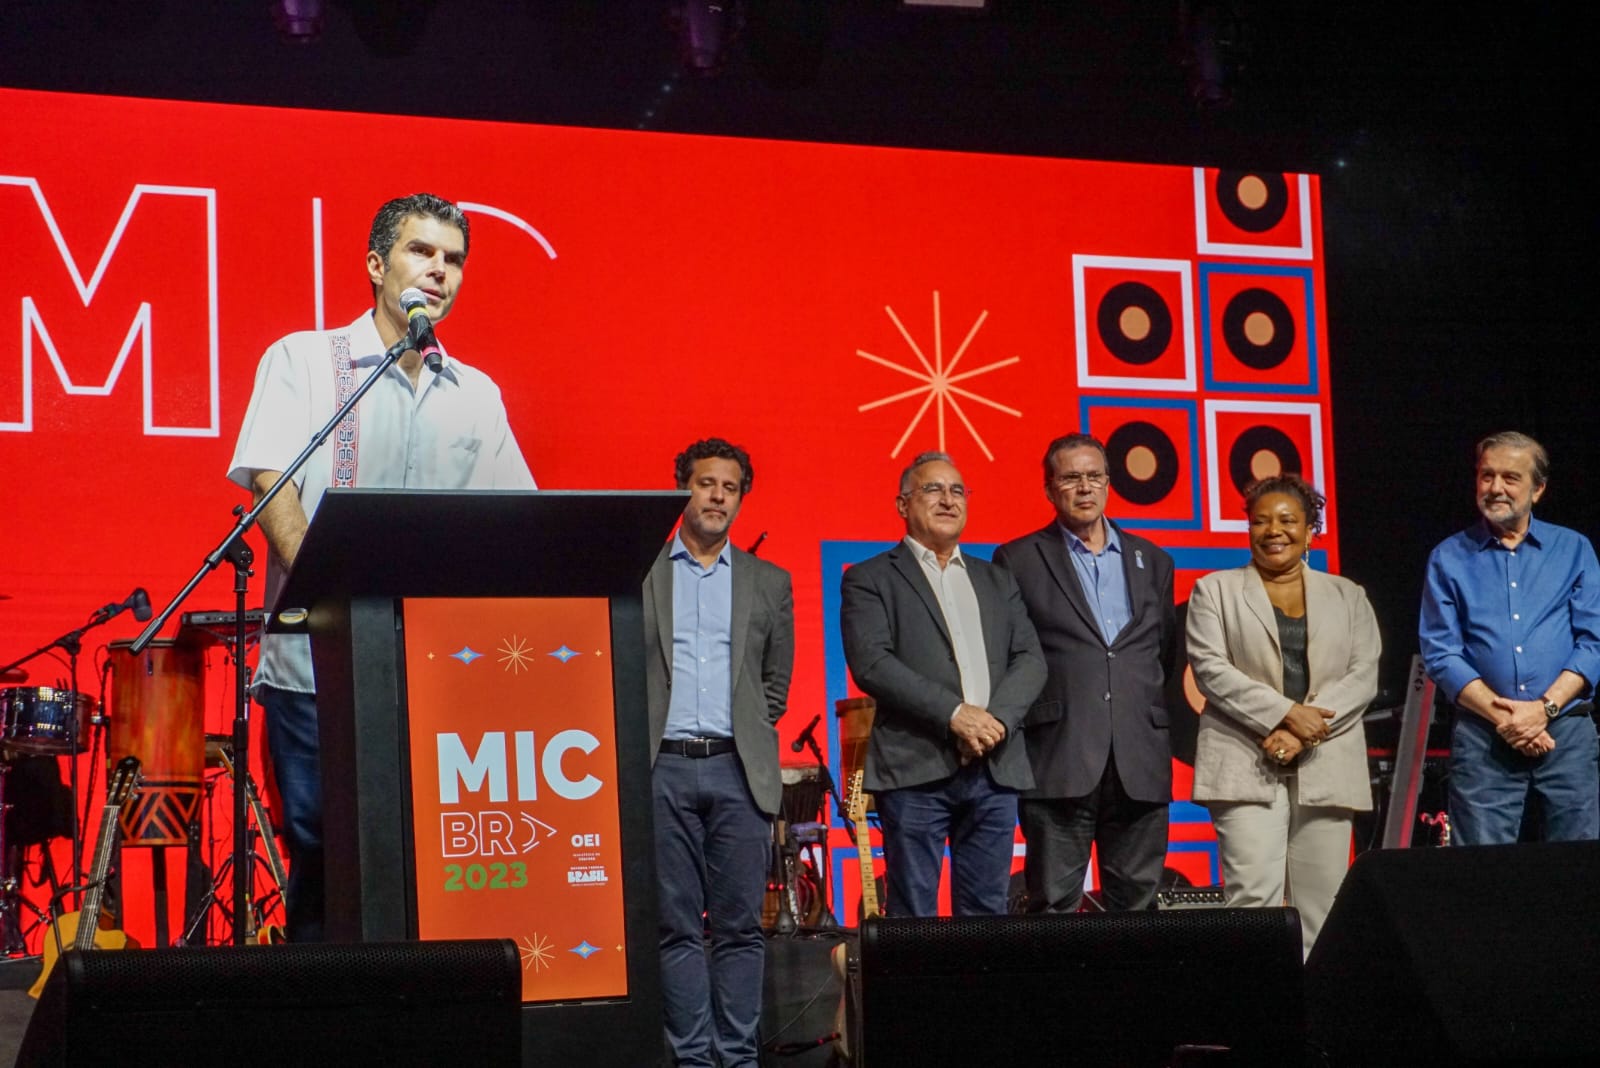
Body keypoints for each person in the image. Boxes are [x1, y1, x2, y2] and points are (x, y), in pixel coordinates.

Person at [227, 193, 535, 941]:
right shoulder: (304, 359)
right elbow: (270, 479)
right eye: (420, 251)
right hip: (315, 671)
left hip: (439, 678)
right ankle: (325, 1005)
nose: (439, 270)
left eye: (453, 259)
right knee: (327, 861)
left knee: (426, 866)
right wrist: (335, 604)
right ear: (375, 264)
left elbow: (517, 522)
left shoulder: (477, 394)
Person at [840, 451, 1046, 917]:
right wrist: (955, 715)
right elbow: (872, 663)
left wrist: (994, 723)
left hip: (994, 768)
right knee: (913, 915)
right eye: (933, 489)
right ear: (902, 504)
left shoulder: (997, 579)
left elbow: (1031, 659)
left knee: (986, 916)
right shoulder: (871, 578)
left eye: (957, 490)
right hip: (915, 769)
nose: (948, 500)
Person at [643, 438, 795, 1068]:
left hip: (739, 770)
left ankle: (737, 1057)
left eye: (730, 488)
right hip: (663, 767)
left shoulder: (769, 581)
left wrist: (750, 733)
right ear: (683, 488)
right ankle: (693, 1060)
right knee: (675, 928)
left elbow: (774, 686)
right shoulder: (643, 570)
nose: (717, 497)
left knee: (739, 930)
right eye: (706, 484)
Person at [1185, 474, 1379, 957]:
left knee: (1324, 908)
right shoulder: (1214, 590)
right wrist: (1288, 714)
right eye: (1260, 521)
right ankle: (1257, 1002)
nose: (1273, 530)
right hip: (1244, 761)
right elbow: (1211, 670)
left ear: (1310, 530)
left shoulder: (1348, 595)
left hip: (1327, 763)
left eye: (1288, 520)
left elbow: (1362, 676)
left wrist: (1302, 734)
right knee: (1252, 903)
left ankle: (1316, 1002)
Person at [993, 433, 1177, 912]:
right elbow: (1009, 655)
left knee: (1138, 907)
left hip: (1139, 758)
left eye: (1094, 476)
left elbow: (1163, 653)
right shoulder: (1018, 559)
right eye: (1071, 478)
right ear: (1049, 489)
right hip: (1058, 755)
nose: (1084, 488)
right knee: (1053, 905)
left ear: (1109, 484)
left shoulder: (1154, 561)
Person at [1419, 431, 1600, 845]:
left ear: (1538, 489)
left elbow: (1594, 642)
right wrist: (1509, 719)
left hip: (1567, 732)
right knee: (1483, 870)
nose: (1495, 487)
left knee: (1579, 865)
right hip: (1484, 736)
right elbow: (1441, 653)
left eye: (1510, 478)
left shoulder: (1574, 549)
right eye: (1487, 476)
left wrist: (1544, 709)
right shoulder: (1448, 557)